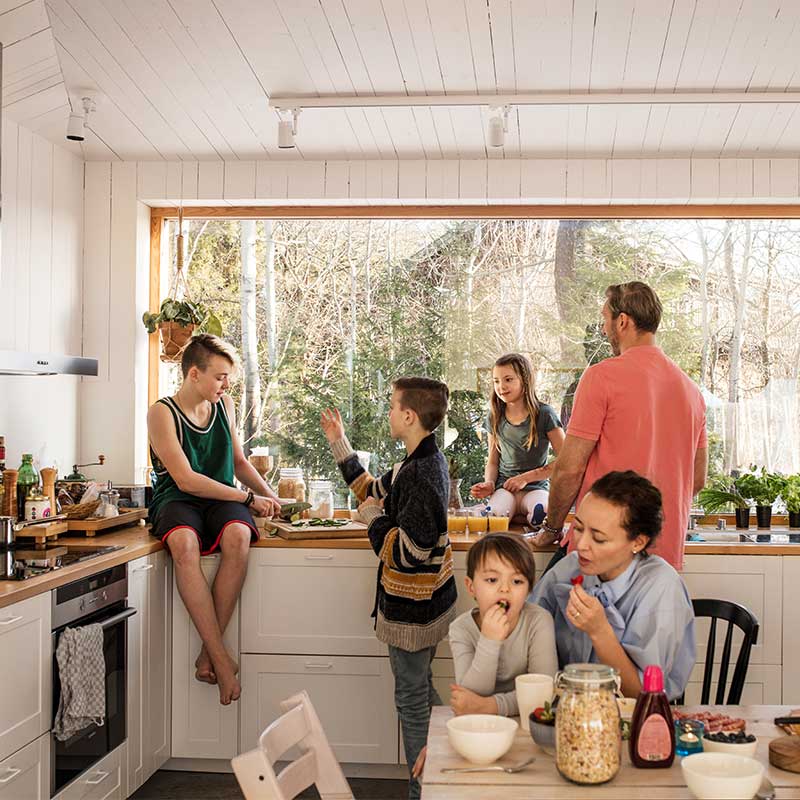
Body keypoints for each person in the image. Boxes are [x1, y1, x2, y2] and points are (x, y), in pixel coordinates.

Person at [320, 377, 457, 800]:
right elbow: (369, 491)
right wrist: (340, 443)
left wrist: (373, 522)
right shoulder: (414, 463)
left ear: (410, 416)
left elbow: (411, 551)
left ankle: (425, 790)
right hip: (427, 603)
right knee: (419, 688)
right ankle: (445, 773)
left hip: (412, 611)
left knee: (412, 698)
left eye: (393, 406)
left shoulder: (420, 474)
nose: (389, 412)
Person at [533, 282, 707, 571]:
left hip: (601, 553)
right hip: (661, 560)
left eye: (605, 318)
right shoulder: (691, 391)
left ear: (622, 321)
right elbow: (697, 479)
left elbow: (569, 469)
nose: (603, 329)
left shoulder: (602, 377)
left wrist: (551, 530)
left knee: (541, 609)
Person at [147, 334, 281, 705]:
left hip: (222, 496)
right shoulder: (162, 412)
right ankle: (221, 659)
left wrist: (269, 495)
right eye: (221, 377)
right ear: (194, 374)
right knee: (183, 544)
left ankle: (210, 652)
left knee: (239, 536)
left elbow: (238, 462)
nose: (226, 385)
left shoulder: (224, 405)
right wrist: (247, 497)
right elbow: (187, 479)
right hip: (179, 498)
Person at [530, 470, 695, 700]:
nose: (582, 544)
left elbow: (644, 696)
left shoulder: (661, 587)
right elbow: (527, 628)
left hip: (635, 720)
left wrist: (599, 631)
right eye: (578, 528)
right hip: (567, 712)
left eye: (599, 538)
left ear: (638, 542)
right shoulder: (569, 568)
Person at [449, 533, 557, 716]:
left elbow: (544, 694)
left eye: (517, 581)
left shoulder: (539, 621)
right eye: (492, 580)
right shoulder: (461, 629)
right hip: (480, 728)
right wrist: (489, 640)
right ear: (471, 587)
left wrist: (490, 706)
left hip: (528, 724)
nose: (505, 589)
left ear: (529, 589)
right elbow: (469, 697)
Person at [470, 353, 565, 527]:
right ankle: (498, 513)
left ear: (525, 380)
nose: (501, 387)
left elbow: (566, 460)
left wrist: (526, 478)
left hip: (536, 488)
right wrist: (490, 484)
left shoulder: (545, 414)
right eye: (496, 381)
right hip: (505, 489)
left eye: (508, 379)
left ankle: (526, 516)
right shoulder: (494, 416)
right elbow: (492, 461)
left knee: (542, 516)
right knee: (493, 520)